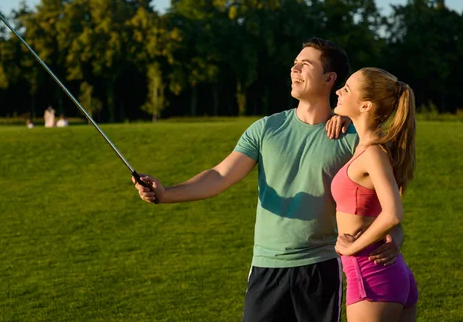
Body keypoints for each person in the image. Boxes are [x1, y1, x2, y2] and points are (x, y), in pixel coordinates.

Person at [133, 38, 402, 322]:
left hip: (320, 268)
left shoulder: (352, 138)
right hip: (266, 267)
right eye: (294, 63)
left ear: (329, 78)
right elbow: (220, 175)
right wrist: (165, 193)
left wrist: (396, 235)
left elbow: (384, 199)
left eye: (305, 64)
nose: (294, 69)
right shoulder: (265, 129)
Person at [331, 67, 417, 322]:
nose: (338, 90)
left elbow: (392, 214)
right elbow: (382, 211)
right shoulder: (371, 148)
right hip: (388, 275)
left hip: (372, 276)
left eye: (346, 89)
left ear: (366, 105)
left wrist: (351, 248)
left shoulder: (372, 153)